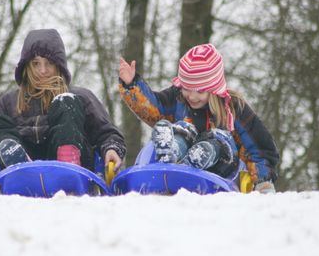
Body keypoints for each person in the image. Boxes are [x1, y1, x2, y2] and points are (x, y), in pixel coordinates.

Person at [0, 29, 126, 192]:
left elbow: (107, 132)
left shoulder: (80, 96)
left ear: (59, 65)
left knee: (66, 102)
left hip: (69, 162)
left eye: (49, 63)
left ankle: (67, 165)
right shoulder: (9, 102)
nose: (42, 70)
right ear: (27, 66)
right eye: (36, 63)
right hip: (24, 163)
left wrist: (112, 148)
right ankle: (18, 164)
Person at [119, 43, 279, 193]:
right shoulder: (178, 98)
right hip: (181, 167)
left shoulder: (233, 108)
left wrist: (263, 181)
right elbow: (154, 108)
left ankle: (204, 153)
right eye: (187, 89)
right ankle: (171, 151)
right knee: (182, 130)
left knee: (220, 140)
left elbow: (259, 148)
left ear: (214, 88)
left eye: (200, 91)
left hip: (220, 172)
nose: (192, 96)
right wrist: (132, 85)